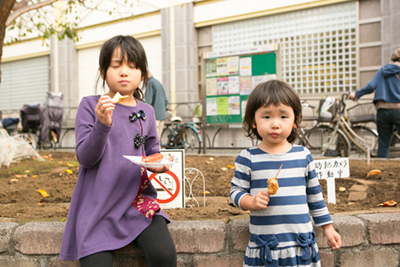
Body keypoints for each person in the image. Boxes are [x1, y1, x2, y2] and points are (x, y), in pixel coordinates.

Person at [59, 35, 177, 267]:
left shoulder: (147, 111)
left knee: (164, 255)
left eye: (132, 66)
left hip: (138, 200)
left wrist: (158, 164)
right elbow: (85, 157)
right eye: (116, 65)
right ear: (103, 72)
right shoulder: (91, 105)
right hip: (98, 204)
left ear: (142, 74)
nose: (124, 72)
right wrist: (103, 123)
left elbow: (152, 151)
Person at [230, 80, 341, 267]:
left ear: (295, 120)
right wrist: (251, 202)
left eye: (283, 116)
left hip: (300, 245)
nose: (275, 124)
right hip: (266, 248)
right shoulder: (248, 158)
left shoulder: (303, 155)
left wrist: (328, 228)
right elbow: (235, 192)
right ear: (253, 121)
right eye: (266, 117)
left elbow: (315, 196)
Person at [349, 47, 400, 158]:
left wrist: (356, 94)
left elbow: (371, 86)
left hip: (382, 110)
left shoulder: (382, 70)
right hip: (398, 109)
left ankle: (381, 171)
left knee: (383, 143)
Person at [145, 67, 168, 141]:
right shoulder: (158, 83)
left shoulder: (150, 83)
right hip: (162, 115)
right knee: (158, 139)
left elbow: (148, 101)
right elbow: (165, 100)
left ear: (148, 73)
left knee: (153, 140)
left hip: (154, 115)